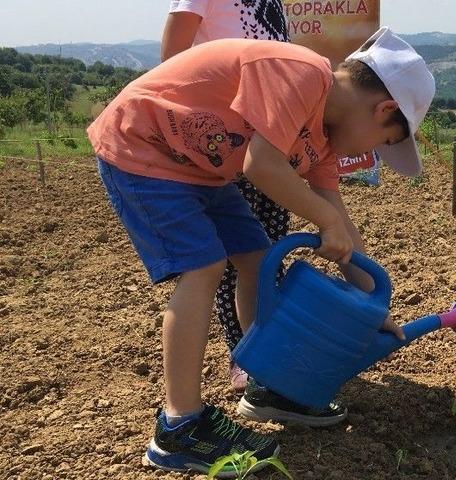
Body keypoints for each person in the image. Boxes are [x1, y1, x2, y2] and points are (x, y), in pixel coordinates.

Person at [88, 27, 434, 476]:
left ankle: (264, 379)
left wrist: (374, 301)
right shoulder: (302, 72)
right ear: (384, 109)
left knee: (255, 256)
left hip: (202, 172)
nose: (373, 154)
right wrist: (325, 223)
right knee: (204, 267)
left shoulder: (324, 142)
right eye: (385, 143)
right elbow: (261, 164)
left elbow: (338, 217)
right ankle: (178, 427)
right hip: (143, 146)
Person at [161, 0, 293, 393]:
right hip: (221, 140)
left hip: (267, 138)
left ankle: (269, 349)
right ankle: (244, 355)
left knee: (265, 251)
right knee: (229, 258)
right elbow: (172, 61)